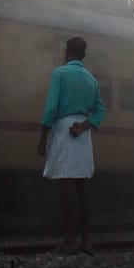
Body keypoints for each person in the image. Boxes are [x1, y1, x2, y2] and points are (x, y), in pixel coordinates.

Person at [37, 37, 104, 255]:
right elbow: (100, 111)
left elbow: (51, 107)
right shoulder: (91, 80)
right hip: (82, 133)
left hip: (64, 129)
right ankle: (86, 241)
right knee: (83, 186)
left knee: (65, 185)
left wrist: (43, 136)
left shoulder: (60, 73)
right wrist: (85, 125)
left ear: (67, 52)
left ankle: (69, 241)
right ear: (83, 55)